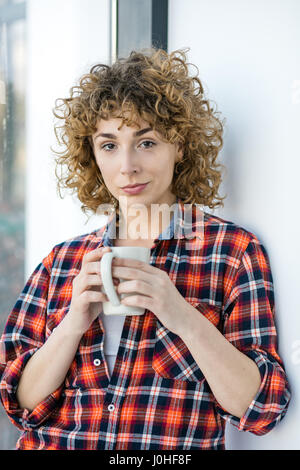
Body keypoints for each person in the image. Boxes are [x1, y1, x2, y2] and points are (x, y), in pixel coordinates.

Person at [0, 48, 291, 450]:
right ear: (93, 155)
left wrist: (182, 316)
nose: (127, 166)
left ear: (181, 147)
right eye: (108, 145)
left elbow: (262, 411)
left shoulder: (232, 252)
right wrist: (73, 323)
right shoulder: (60, 262)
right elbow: (19, 405)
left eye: (147, 142)